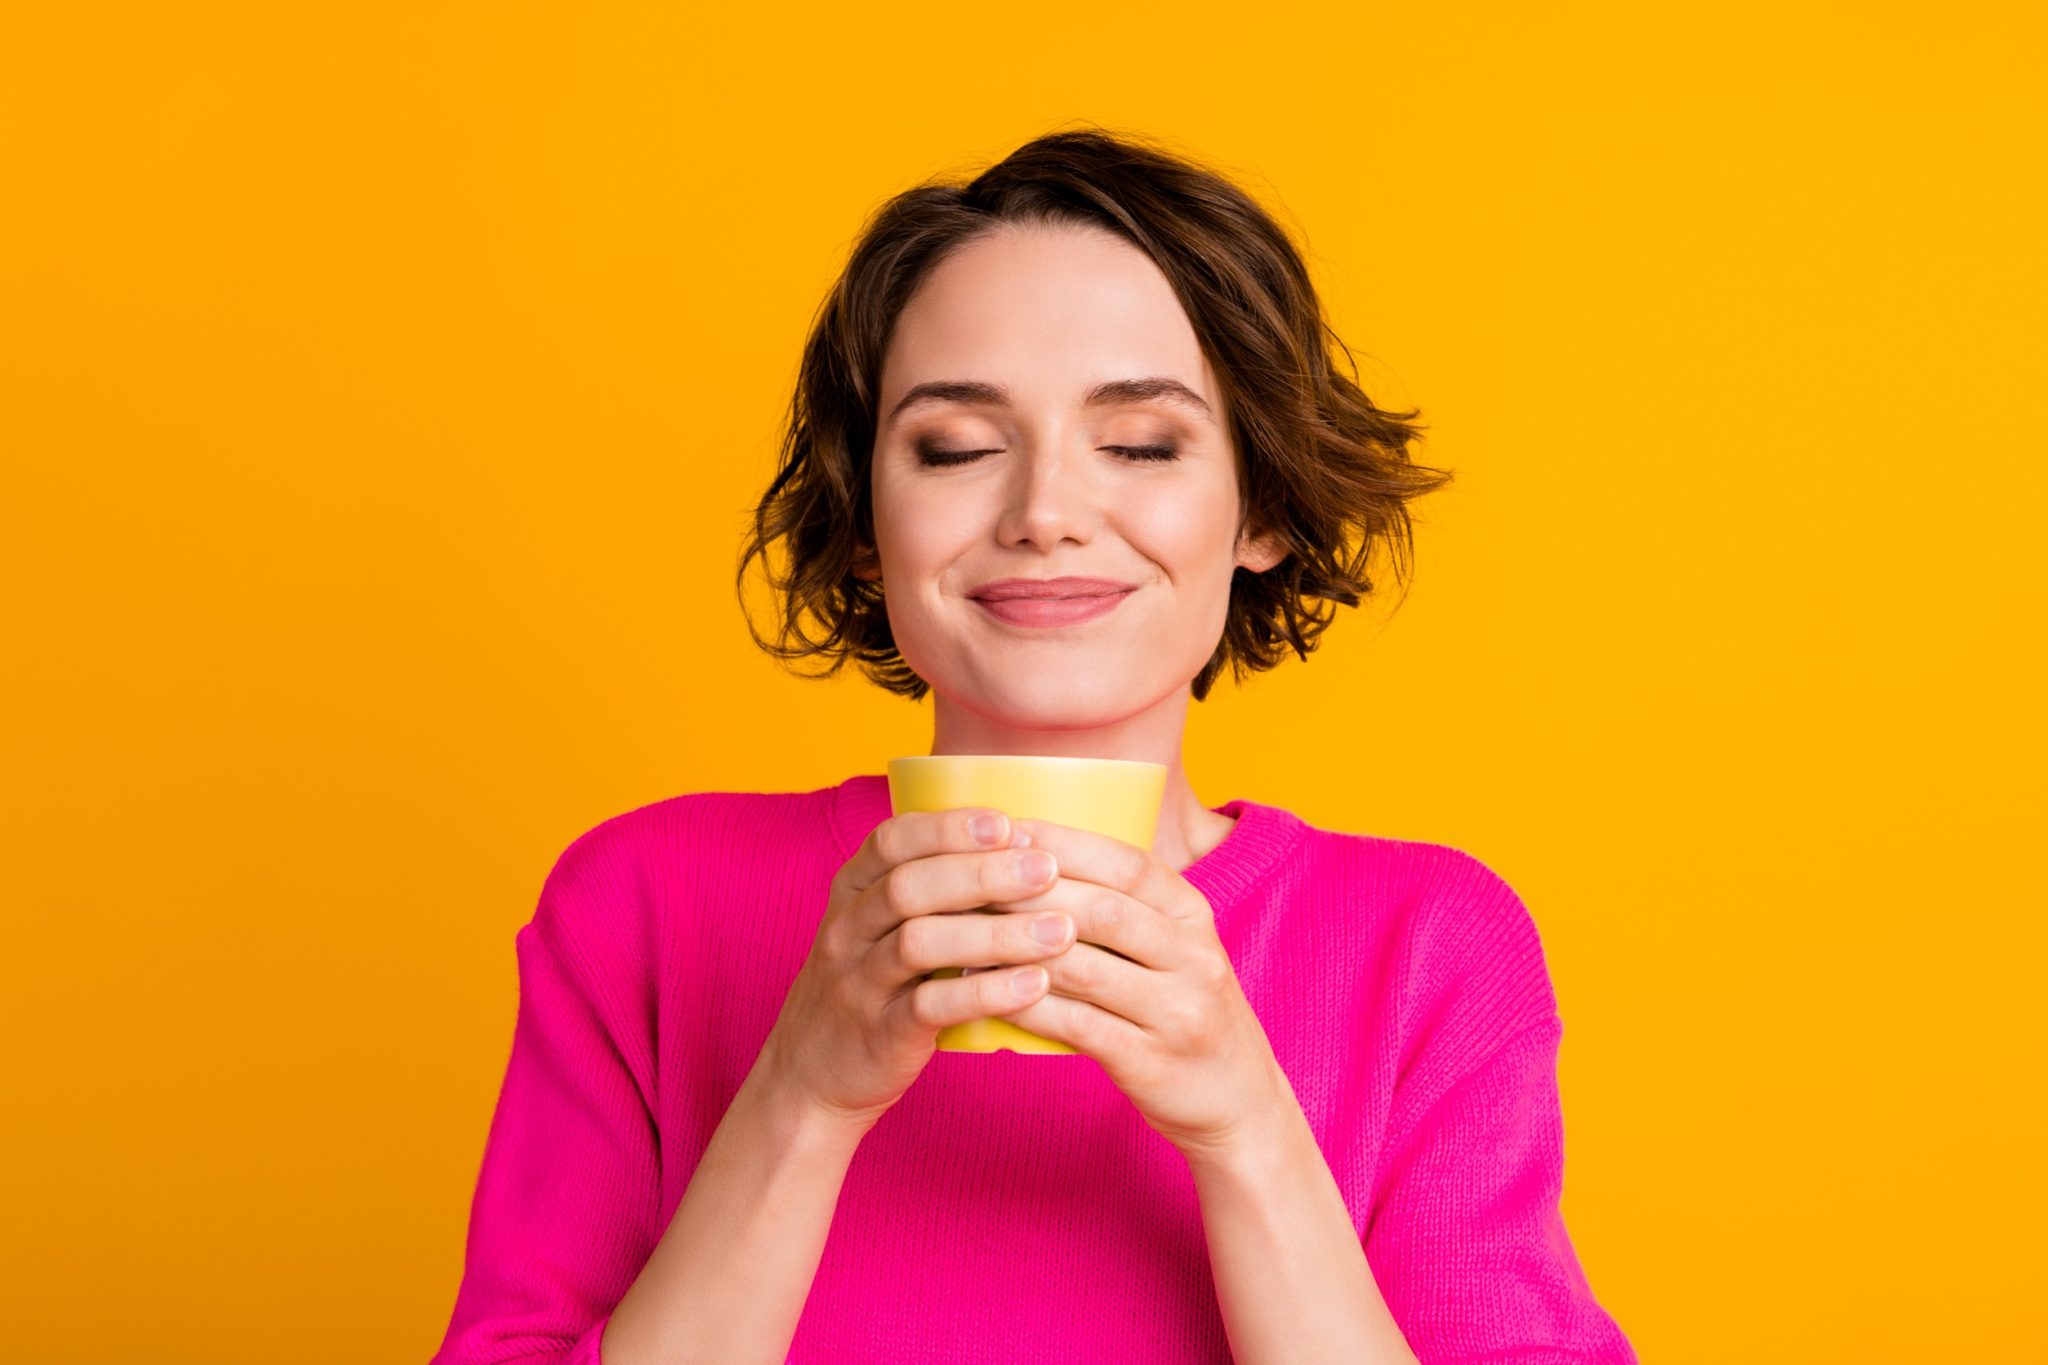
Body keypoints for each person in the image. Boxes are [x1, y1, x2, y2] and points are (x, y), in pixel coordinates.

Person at [428, 126, 1638, 1365]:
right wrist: (800, 1091)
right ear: (864, 521)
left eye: (1140, 444)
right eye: (955, 448)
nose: (1044, 514)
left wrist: (1247, 1130)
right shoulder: (643, 905)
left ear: (1261, 508)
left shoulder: (1428, 948)